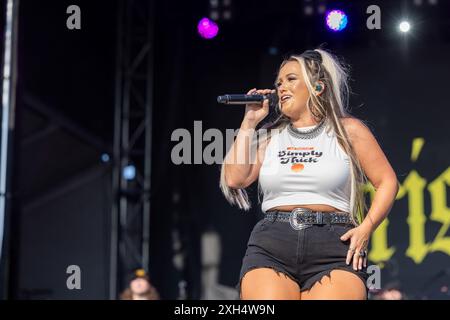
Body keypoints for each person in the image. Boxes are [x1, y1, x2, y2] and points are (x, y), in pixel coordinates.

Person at [220, 48, 399, 300]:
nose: (281, 87)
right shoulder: (270, 136)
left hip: (334, 243)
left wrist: (367, 227)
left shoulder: (348, 130)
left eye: (291, 79)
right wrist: (249, 121)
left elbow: (387, 181)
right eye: (279, 83)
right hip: (273, 242)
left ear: (318, 87)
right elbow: (235, 179)